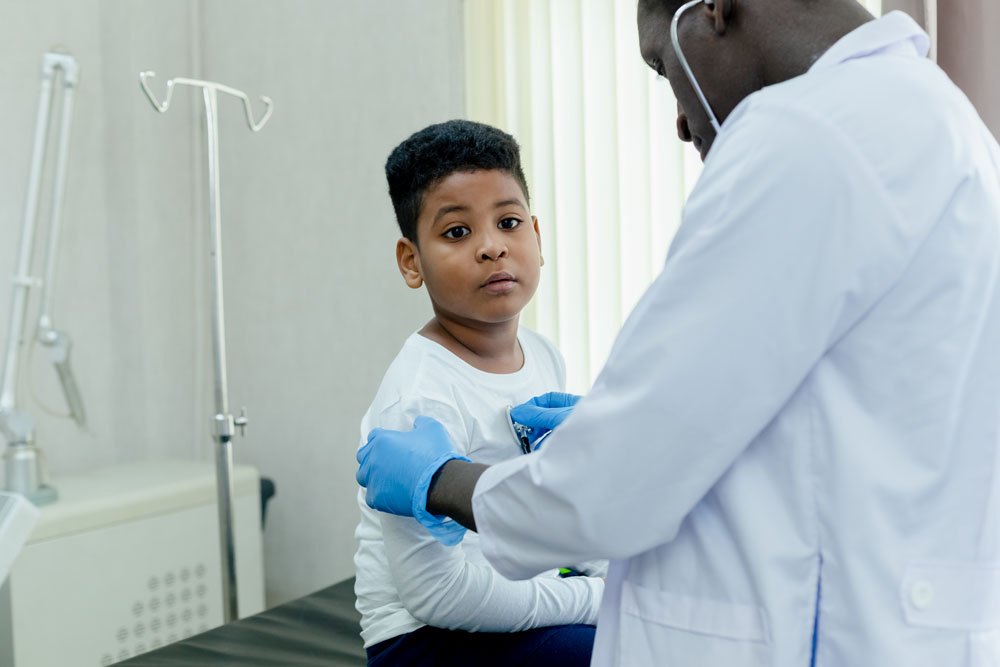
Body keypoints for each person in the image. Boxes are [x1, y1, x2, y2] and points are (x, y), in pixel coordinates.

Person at [357, 1, 1000, 665]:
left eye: (663, 67)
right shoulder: (938, 119)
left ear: (714, 8)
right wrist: (608, 438)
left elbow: (607, 488)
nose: (681, 120)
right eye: (458, 231)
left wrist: (443, 479)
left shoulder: (805, 138)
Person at [353, 119, 604, 667]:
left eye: (509, 222)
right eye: (457, 232)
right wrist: (595, 599)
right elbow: (437, 595)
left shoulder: (542, 355)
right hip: (425, 638)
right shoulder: (419, 397)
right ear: (411, 261)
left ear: (536, 235)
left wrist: (612, 577)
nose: (492, 247)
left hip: (518, 598)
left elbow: (555, 518)